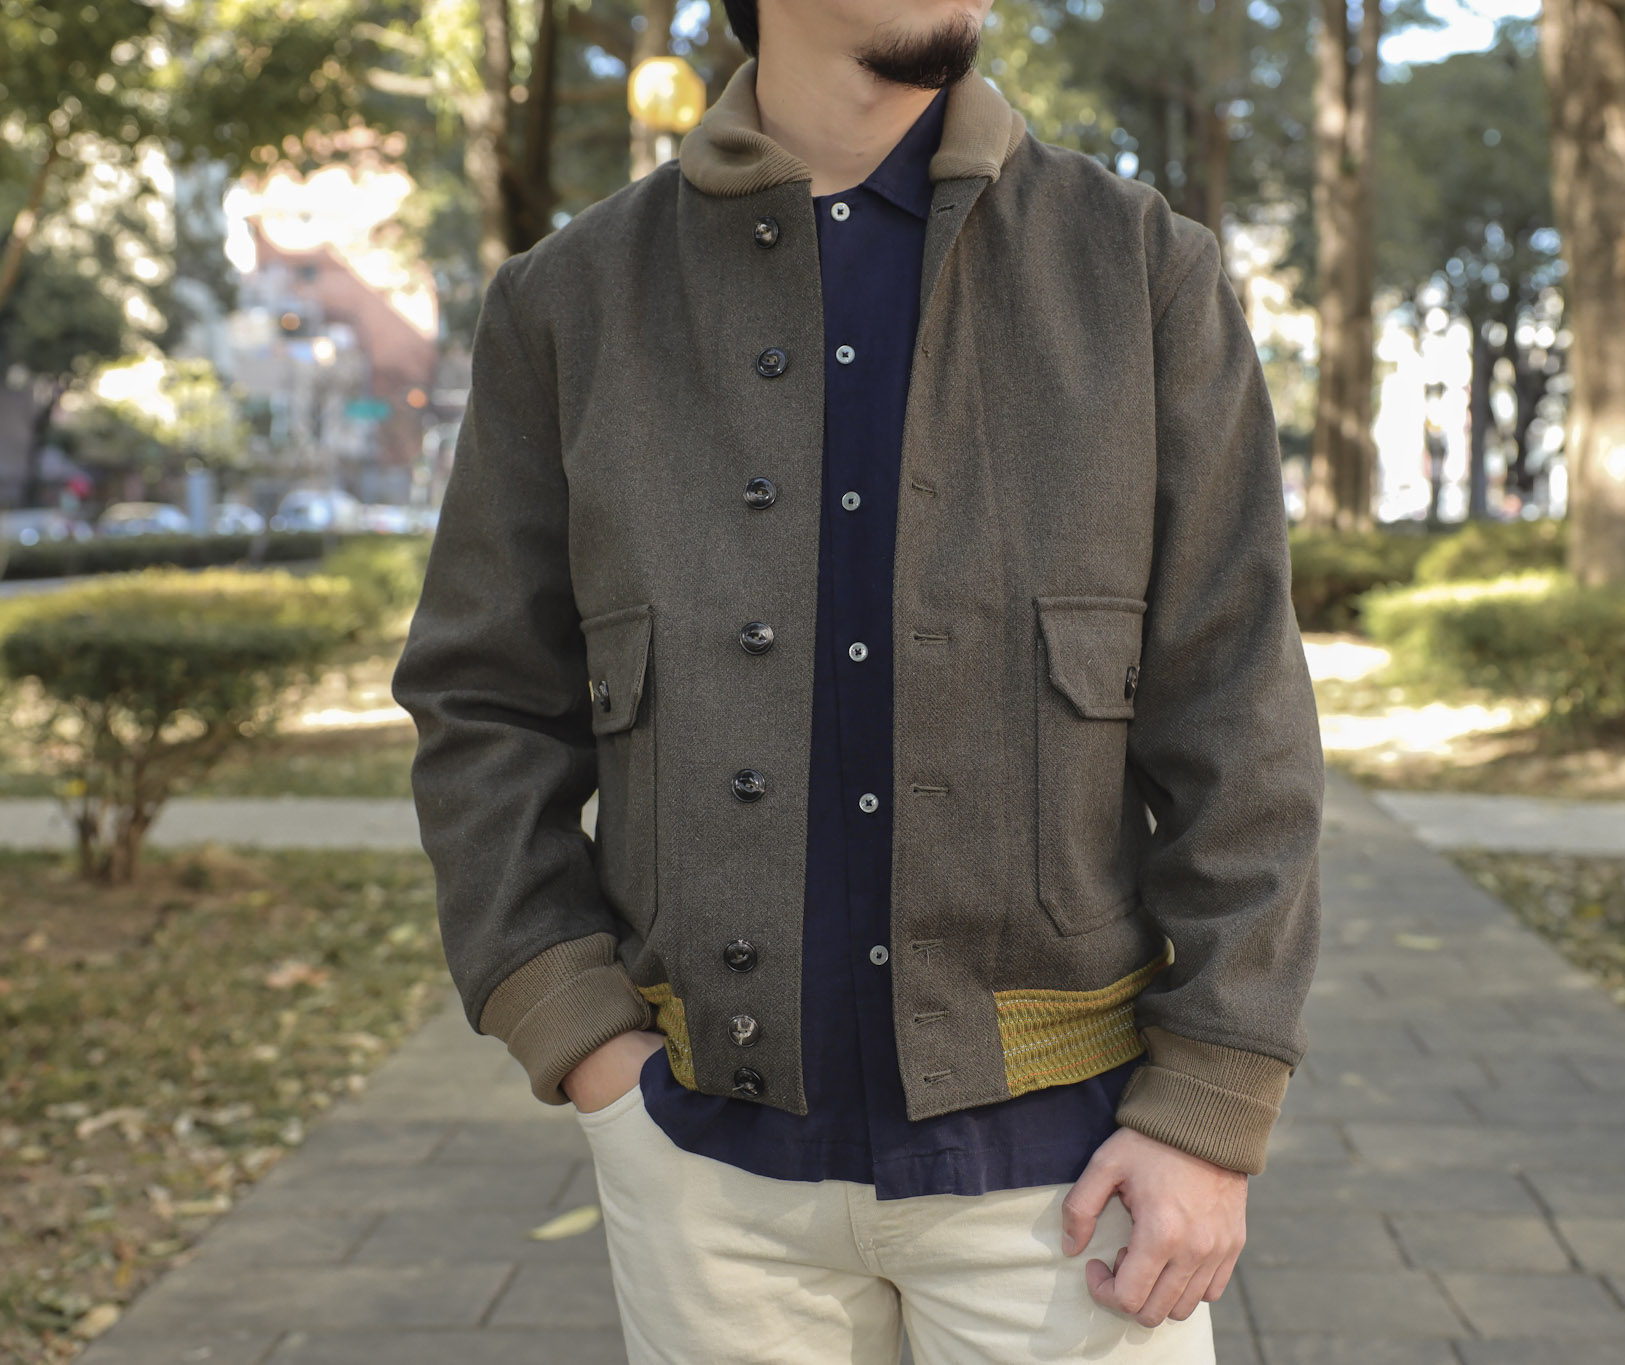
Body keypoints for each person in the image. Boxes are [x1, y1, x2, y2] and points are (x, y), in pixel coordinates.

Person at [390, 1, 1323, 1360]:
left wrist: (1212, 1107)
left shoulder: (1137, 268)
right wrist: (588, 1048)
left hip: (1072, 1182)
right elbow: (483, 706)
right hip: (705, 1171)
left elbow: (1241, 712)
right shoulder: (571, 302)